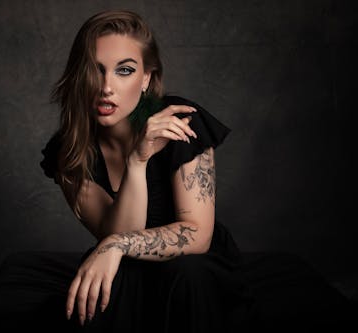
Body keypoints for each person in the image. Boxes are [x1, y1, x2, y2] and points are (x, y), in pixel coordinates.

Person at [39, 9, 252, 332]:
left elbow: (197, 234)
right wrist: (136, 163)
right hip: (128, 266)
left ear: (146, 79)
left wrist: (116, 245)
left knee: (188, 275)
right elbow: (117, 230)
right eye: (95, 71)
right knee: (96, 294)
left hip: (193, 268)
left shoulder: (178, 122)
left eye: (124, 71)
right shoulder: (68, 151)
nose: (106, 87)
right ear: (79, 76)